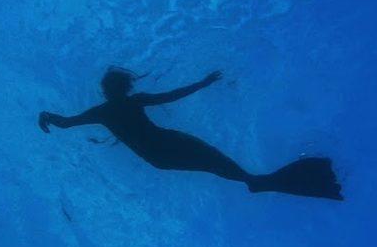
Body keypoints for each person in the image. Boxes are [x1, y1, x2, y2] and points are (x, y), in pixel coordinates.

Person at [38, 67, 342, 200]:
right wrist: (48, 116)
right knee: (215, 162)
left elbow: (65, 122)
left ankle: (257, 183)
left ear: (109, 89)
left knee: (216, 164)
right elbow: (172, 95)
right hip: (166, 146)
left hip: (160, 154)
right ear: (117, 88)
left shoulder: (105, 110)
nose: (116, 90)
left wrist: (48, 116)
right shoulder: (124, 104)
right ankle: (259, 183)